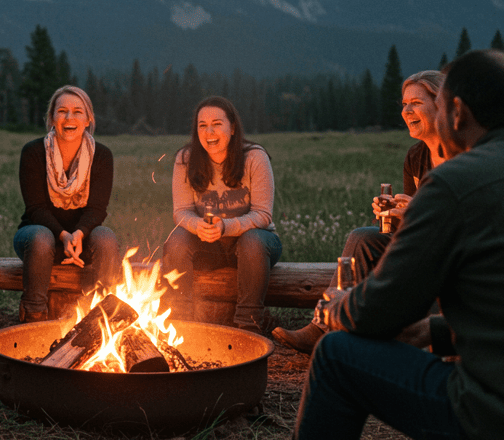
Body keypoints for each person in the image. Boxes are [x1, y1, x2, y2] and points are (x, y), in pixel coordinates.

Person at [293, 49, 504, 440]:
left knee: (336, 354)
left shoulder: (457, 180)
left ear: (457, 112)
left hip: (486, 411)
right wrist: (434, 331)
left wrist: (336, 307)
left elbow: (381, 310)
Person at [273, 70, 447, 353]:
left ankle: (374, 332)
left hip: (448, 250)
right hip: (421, 243)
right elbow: (412, 225)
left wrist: (415, 213)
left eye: (416, 103)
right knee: (363, 238)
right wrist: (393, 213)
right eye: (404, 104)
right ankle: (323, 324)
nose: (406, 111)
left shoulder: (461, 155)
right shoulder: (416, 156)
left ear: (441, 104)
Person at [161, 96, 282, 334]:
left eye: (217, 124)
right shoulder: (186, 159)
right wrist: (198, 226)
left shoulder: (254, 157)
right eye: (202, 125)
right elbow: (181, 212)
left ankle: (249, 323)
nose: (209, 132)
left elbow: (263, 215)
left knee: (253, 241)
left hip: (256, 246)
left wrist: (225, 227)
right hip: (209, 245)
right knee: (176, 240)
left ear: (233, 127)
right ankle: (181, 322)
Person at [13, 85, 122, 322]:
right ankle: (34, 314)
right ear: (52, 118)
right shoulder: (33, 152)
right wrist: (64, 236)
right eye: (62, 111)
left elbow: (97, 209)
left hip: (83, 239)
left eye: (77, 112)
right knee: (41, 237)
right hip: (39, 239)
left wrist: (79, 234)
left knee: (105, 238)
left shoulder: (102, 155)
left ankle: (104, 317)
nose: (69, 117)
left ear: (88, 119)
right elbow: (35, 209)